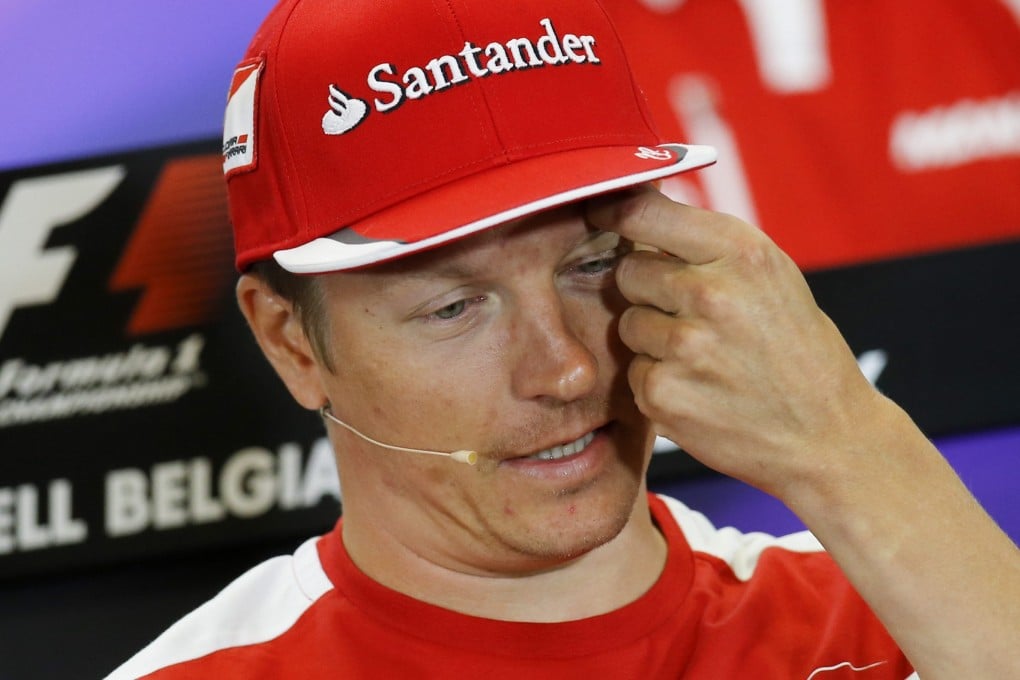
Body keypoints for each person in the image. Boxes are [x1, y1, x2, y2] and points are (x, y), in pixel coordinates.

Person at [108, 0, 1020, 677]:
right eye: (454, 308)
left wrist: (847, 444)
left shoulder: (901, 620)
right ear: (290, 344)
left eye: (592, 265)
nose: (567, 369)